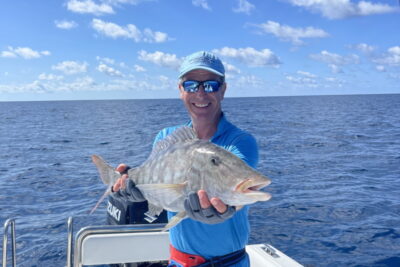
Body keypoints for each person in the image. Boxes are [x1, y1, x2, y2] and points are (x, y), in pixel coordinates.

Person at [112, 51, 259, 267]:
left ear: (223, 90)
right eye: (191, 85)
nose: (200, 93)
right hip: (177, 262)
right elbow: (156, 187)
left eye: (210, 85)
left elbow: (236, 187)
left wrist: (226, 209)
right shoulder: (165, 137)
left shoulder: (240, 141)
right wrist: (135, 189)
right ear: (181, 90)